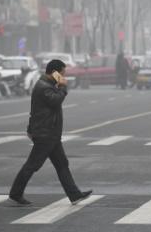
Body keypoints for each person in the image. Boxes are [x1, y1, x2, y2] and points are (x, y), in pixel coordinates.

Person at [8, 59, 92, 206]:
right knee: (32, 165)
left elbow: (35, 110)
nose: (64, 76)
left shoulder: (47, 84)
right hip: (46, 134)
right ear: (55, 72)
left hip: (51, 134)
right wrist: (63, 88)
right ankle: (15, 193)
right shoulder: (44, 87)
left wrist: (30, 128)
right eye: (62, 73)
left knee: (62, 164)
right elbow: (55, 101)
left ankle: (74, 195)